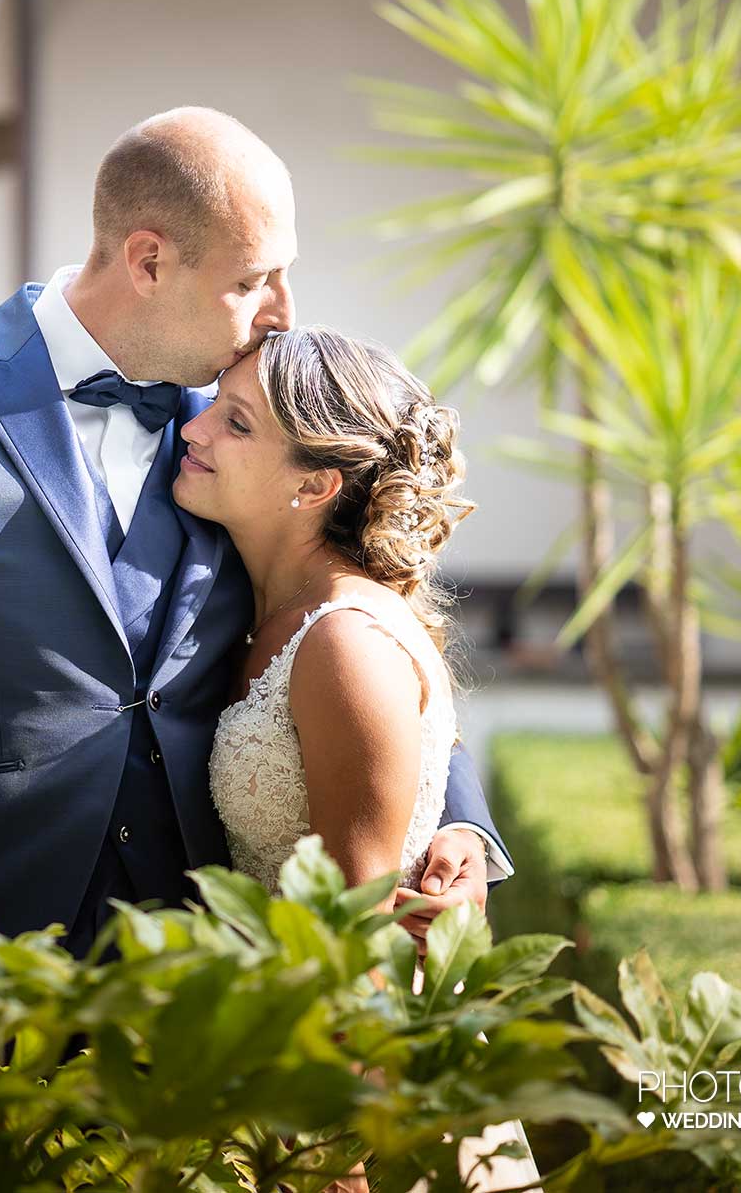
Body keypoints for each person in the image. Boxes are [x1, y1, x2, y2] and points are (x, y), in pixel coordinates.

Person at [0, 106, 510, 960]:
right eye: (252, 281)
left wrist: (458, 818)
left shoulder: (245, 428)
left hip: (198, 971)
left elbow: (364, 604)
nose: (281, 314)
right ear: (149, 261)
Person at [185, 324, 542, 1191]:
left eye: (236, 424)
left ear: (315, 483)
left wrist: (337, 1158)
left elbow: (363, 932)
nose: (193, 431)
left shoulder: (345, 643)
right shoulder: (262, 608)